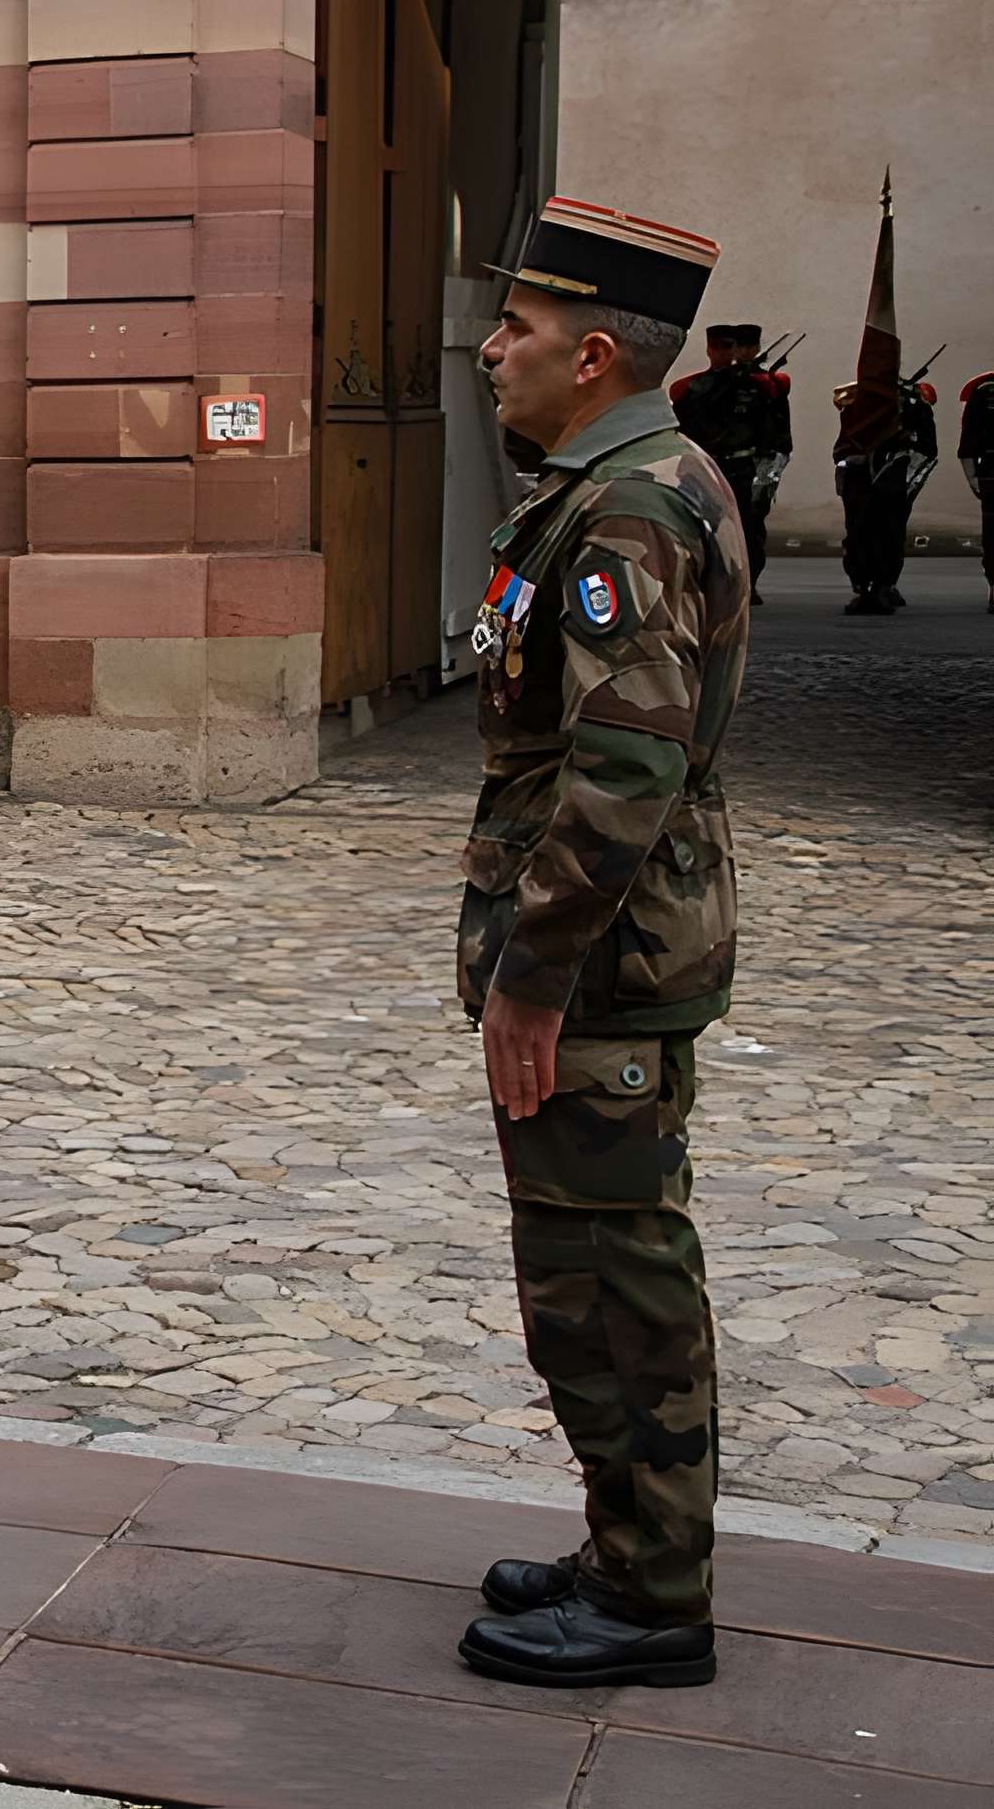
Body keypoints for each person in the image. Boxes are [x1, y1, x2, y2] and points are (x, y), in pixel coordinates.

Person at [457, 196, 746, 1691]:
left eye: (518, 328)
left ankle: (653, 1599)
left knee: (611, 1278)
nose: (490, 346)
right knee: (587, 1262)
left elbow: (624, 766)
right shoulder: (613, 479)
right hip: (609, 958)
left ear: (592, 356)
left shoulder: (629, 506)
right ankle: (627, 1544)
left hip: (606, 966)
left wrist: (534, 975)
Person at [667, 324, 787, 605]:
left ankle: (748, 583)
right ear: (709, 350)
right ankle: (707, 582)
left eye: (729, 347)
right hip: (707, 466)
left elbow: (775, 430)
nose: (724, 353)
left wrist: (771, 469)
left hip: (744, 466)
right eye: (718, 347)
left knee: (748, 529)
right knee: (704, 527)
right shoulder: (691, 388)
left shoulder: (760, 386)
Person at [832, 370, 937, 615]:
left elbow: (927, 446)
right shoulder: (858, 398)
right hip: (859, 477)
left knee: (890, 532)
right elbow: (846, 438)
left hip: (893, 476)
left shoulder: (912, 401)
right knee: (857, 533)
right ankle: (862, 586)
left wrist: (907, 473)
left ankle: (883, 585)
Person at [959, 370, 994, 613]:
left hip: (990, 471)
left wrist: (973, 477)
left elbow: (968, 443)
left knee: (993, 532)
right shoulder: (984, 392)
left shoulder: (983, 392)